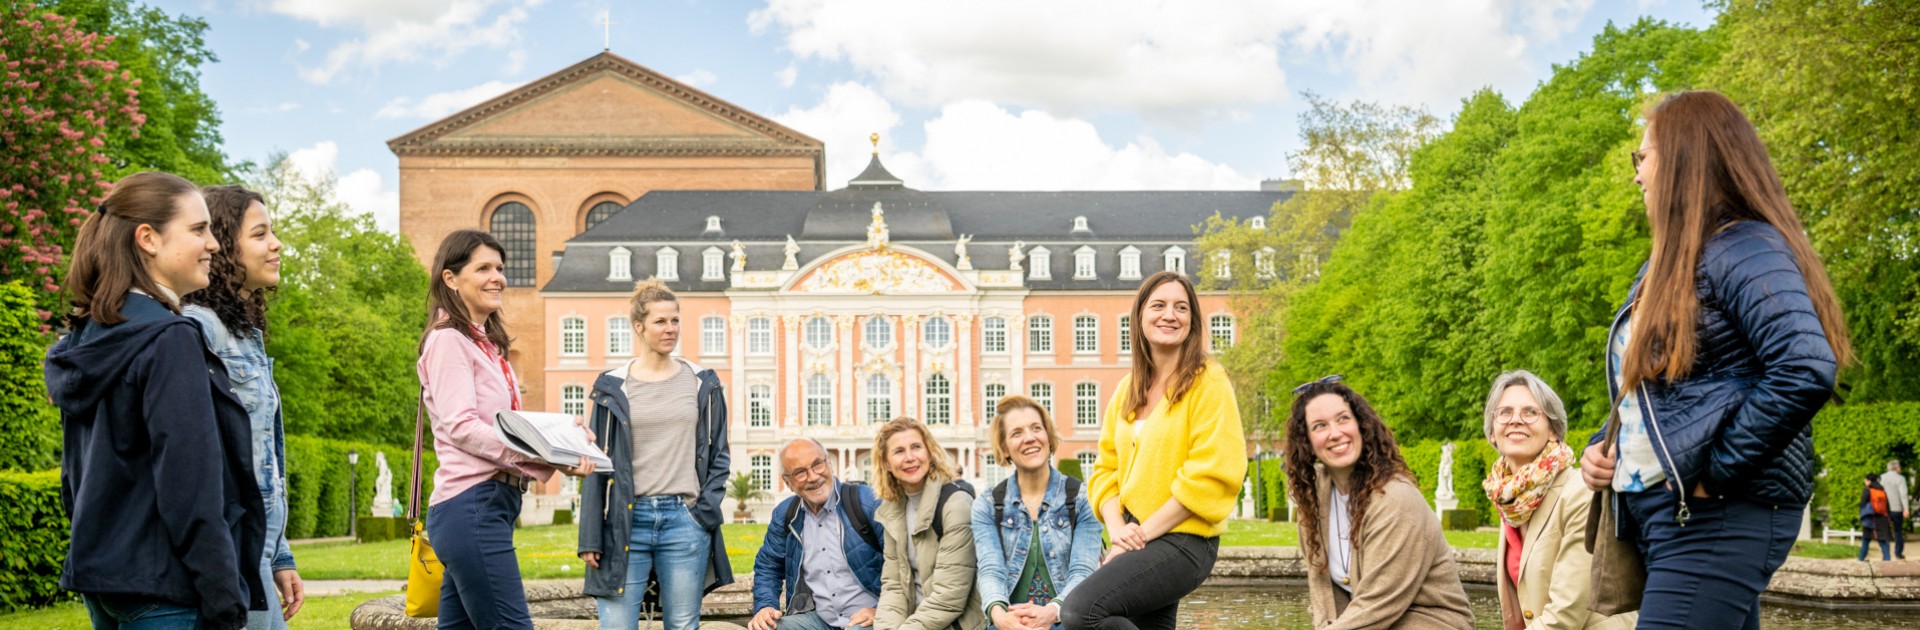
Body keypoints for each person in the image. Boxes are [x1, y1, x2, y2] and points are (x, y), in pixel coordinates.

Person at [1579, 90, 1852, 630]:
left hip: (1716, 514)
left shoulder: (1744, 247)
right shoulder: (1670, 264)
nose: (1637, 175)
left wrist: (1719, 471)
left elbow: (1805, 366)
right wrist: (1603, 449)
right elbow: (1662, 397)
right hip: (1677, 515)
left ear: (1683, 161)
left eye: (1644, 156)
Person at [44, 172, 268, 629]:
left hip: (108, 582)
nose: (214, 245)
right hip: (167, 589)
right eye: (197, 230)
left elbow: (75, 477)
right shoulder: (170, 339)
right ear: (147, 238)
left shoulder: (89, 335)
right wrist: (225, 602)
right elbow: (191, 486)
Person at [418, 229, 596, 629]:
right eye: (482, 268)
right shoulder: (449, 342)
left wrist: (563, 433)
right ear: (451, 279)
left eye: (499, 267)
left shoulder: (485, 345)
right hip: (472, 506)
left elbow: (508, 423)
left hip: (484, 506)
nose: (497, 276)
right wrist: (544, 455)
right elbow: (462, 427)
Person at [1063, 271, 1247, 630]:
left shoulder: (1208, 380)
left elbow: (1211, 472)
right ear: (1140, 316)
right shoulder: (1127, 389)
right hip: (1136, 535)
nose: (1170, 315)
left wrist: (1139, 536)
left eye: (1181, 307)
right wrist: (1118, 531)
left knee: (1080, 612)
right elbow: (1104, 471)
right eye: (1158, 305)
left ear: (1192, 321)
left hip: (1184, 540)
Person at [181, 185, 305, 630]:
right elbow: (206, 462)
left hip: (253, 553)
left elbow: (261, 458)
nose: (276, 244)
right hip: (228, 555)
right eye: (260, 234)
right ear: (222, 246)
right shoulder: (198, 329)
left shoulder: (243, 333)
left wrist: (278, 553)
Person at [579, 279, 734, 630]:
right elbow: (596, 462)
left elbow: (719, 453)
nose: (671, 329)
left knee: (682, 624)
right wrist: (590, 535)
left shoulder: (701, 382)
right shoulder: (612, 386)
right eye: (660, 321)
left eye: (675, 320)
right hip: (625, 521)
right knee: (617, 625)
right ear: (639, 326)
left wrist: (704, 512)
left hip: (685, 519)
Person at [1286, 376, 1473, 629]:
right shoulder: (1314, 500)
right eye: (1320, 426)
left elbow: (1379, 604)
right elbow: (1322, 594)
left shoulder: (1396, 499)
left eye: (1343, 418)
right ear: (1306, 441)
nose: (1335, 433)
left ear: (1361, 425)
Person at [1478, 371, 1632, 630]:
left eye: (1530, 412)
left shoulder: (1580, 492)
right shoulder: (1510, 501)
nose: (1516, 420)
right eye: (1504, 412)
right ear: (1493, 433)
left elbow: (1566, 614)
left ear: (1553, 430)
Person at [971, 396, 1103, 630]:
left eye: (1036, 428)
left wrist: (1052, 612)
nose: (1029, 438)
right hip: (1009, 623)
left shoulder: (1082, 498)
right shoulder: (988, 504)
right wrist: (1001, 618)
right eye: (1017, 433)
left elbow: (1083, 571)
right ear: (1004, 447)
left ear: (1048, 436)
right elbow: (991, 570)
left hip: (1066, 619)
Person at [749, 438, 886, 630]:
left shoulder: (867, 502)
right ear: (788, 483)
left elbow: (903, 565)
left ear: (829, 463)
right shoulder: (786, 514)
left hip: (870, 618)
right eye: (800, 473)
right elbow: (768, 566)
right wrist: (765, 606)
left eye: (817, 465)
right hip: (820, 620)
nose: (813, 477)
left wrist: (884, 610)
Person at [871, 417, 985, 630]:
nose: (910, 457)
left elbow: (949, 596)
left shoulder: (956, 505)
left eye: (916, 447)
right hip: (914, 622)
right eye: (899, 451)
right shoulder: (892, 510)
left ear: (929, 453)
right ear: (886, 463)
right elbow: (893, 586)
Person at [1860, 474, 1893, 562]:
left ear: (1869, 481)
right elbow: (1887, 507)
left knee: (1865, 541)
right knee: (1883, 542)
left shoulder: (1867, 490)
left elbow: (1862, 504)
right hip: (1882, 519)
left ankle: (1860, 561)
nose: (1865, 482)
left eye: (1865, 480)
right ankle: (1887, 561)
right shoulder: (1882, 491)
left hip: (1870, 519)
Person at [1885, 460, 1909, 560]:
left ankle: (1886, 554)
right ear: (1896, 468)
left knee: (1885, 531)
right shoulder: (1900, 478)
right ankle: (1898, 553)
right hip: (1897, 508)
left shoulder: (1882, 477)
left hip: (1885, 509)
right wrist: (1906, 508)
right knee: (1898, 531)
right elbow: (1903, 494)